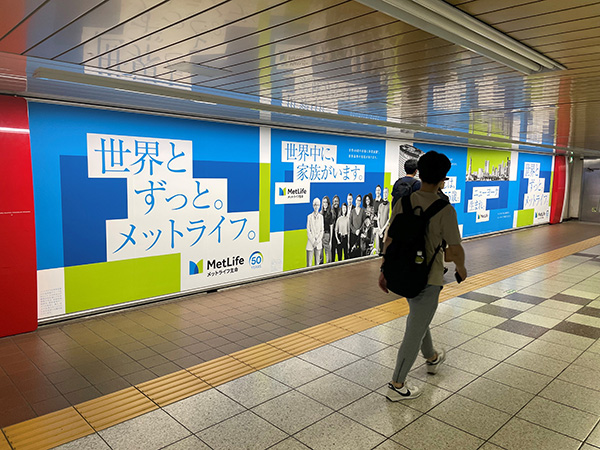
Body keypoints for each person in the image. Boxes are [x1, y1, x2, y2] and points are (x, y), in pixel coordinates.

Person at [379, 151, 467, 401]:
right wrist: (461, 268)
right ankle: (397, 384)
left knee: (420, 317)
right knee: (414, 329)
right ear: (443, 179)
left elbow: (390, 239)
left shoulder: (403, 202)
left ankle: (432, 358)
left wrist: (384, 269)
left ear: (420, 173)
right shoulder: (445, 209)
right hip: (428, 278)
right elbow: (454, 250)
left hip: (403, 272)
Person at [306, 197, 324, 267]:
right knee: (309, 265)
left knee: (317, 265)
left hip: (318, 244)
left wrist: (317, 241)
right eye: (315, 204)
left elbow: (322, 230)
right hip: (310, 244)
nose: (316, 206)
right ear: (313, 205)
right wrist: (313, 242)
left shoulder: (321, 217)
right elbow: (308, 231)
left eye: (318, 205)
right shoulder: (309, 217)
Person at [349, 194, 365, 258]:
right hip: (353, 235)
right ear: (355, 201)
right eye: (357, 200)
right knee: (353, 252)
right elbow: (350, 224)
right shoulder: (352, 211)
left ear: (360, 202)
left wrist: (359, 230)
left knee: (359, 252)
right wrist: (355, 231)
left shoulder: (362, 211)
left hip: (360, 236)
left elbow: (364, 223)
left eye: (359, 200)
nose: (358, 202)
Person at [376, 186, 390, 253]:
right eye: (384, 192)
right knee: (380, 249)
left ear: (388, 193)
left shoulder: (389, 205)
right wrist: (379, 229)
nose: (385, 194)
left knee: (385, 249)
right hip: (380, 230)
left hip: (385, 230)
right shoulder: (380, 205)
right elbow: (378, 218)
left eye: (386, 192)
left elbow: (388, 219)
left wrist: (382, 229)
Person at [321, 196, 333, 264]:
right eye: (324, 202)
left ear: (328, 204)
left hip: (326, 234)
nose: (325, 204)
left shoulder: (330, 214)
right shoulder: (320, 214)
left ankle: (328, 266)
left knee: (327, 253)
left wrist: (330, 240)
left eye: (326, 202)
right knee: (320, 253)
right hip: (320, 235)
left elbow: (331, 227)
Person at [331, 195, 341, 262]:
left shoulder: (341, 211)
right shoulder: (331, 211)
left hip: (339, 234)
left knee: (339, 252)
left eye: (337, 201)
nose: (336, 203)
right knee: (333, 252)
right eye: (334, 201)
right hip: (332, 235)